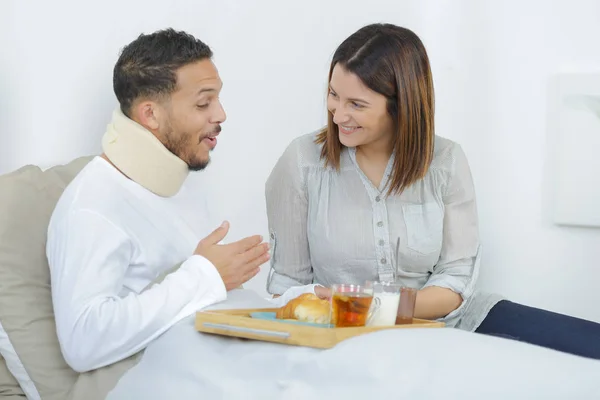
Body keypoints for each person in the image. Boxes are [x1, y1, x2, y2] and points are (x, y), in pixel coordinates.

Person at [265, 23, 600, 359]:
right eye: (334, 95)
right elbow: (287, 285)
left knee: (589, 346)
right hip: (346, 334)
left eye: (357, 104)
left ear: (401, 104)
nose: (338, 114)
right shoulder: (303, 162)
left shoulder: (446, 161)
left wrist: (380, 307)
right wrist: (349, 311)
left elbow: (456, 278)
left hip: (452, 322)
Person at [46, 28, 272, 373]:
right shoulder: (93, 206)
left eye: (217, 99)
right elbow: (82, 341)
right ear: (150, 115)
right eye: (203, 102)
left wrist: (294, 307)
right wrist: (206, 276)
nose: (221, 115)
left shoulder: (180, 183)